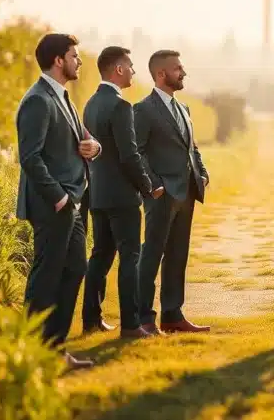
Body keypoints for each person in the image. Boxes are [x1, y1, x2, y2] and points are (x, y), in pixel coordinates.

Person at [15, 32, 99, 369]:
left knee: (76, 267)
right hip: (55, 204)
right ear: (57, 60)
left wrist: (96, 148)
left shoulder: (63, 97)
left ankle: (55, 349)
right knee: (46, 277)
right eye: (74, 55)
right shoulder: (37, 100)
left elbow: (86, 141)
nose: (79, 61)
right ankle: (32, 354)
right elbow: (30, 158)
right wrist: (60, 198)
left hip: (73, 202)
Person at [133, 50, 211, 335]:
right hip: (161, 195)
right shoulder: (143, 110)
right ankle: (143, 318)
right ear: (161, 74)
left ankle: (172, 315)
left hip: (187, 192)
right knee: (151, 255)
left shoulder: (184, 109)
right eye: (178, 68)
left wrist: (202, 172)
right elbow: (136, 152)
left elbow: (193, 147)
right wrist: (153, 184)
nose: (184, 72)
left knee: (178, 256)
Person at [82, 46, 155, 338]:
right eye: (131, 66)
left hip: (97, 194)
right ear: (119, 70)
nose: (134, 72)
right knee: (130, 257)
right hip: (123, 196)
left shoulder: (90, 104)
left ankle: (90, 319)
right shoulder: (121, 106)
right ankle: (130, 324)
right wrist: (147, 185)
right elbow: (129, 155)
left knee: (99, 256)